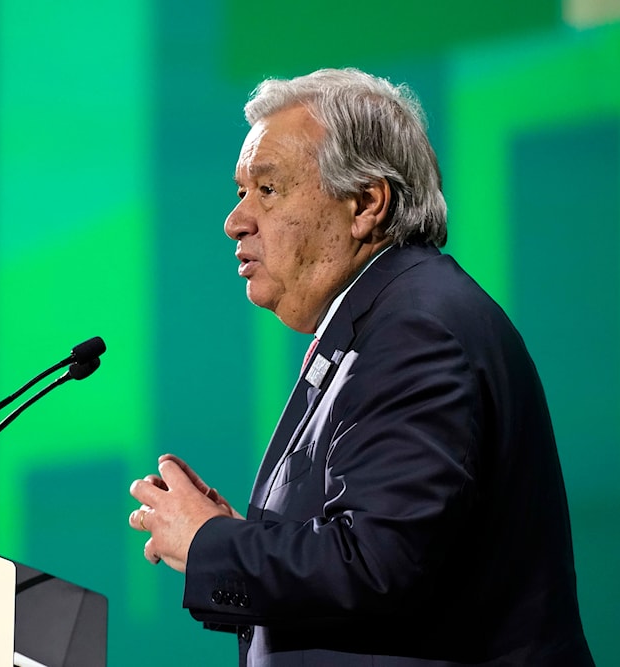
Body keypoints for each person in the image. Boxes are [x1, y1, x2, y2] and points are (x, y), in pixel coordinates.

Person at [128, 68, 594, 666]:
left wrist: (211, 544)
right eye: (241, 191)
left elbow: (379, 561)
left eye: (267, 190)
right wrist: (238, 542)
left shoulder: (415, 330)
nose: (236, 221)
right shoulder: (384, 319)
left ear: (366, 203)